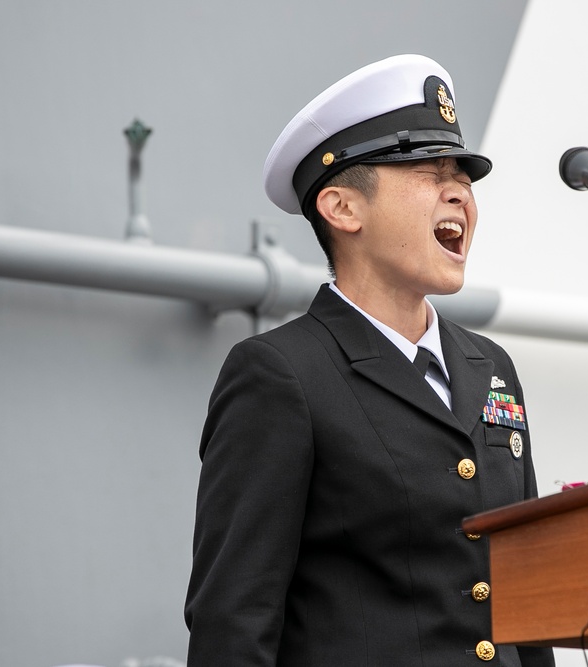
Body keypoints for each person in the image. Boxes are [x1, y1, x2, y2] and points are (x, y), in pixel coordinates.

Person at [184, 54, 555, 667]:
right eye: (428, 171)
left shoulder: (491, 367)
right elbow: (233, 621)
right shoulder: (282, 374)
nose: (458, 192)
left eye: (462, 176)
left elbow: (524, 593)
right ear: (342, 209)